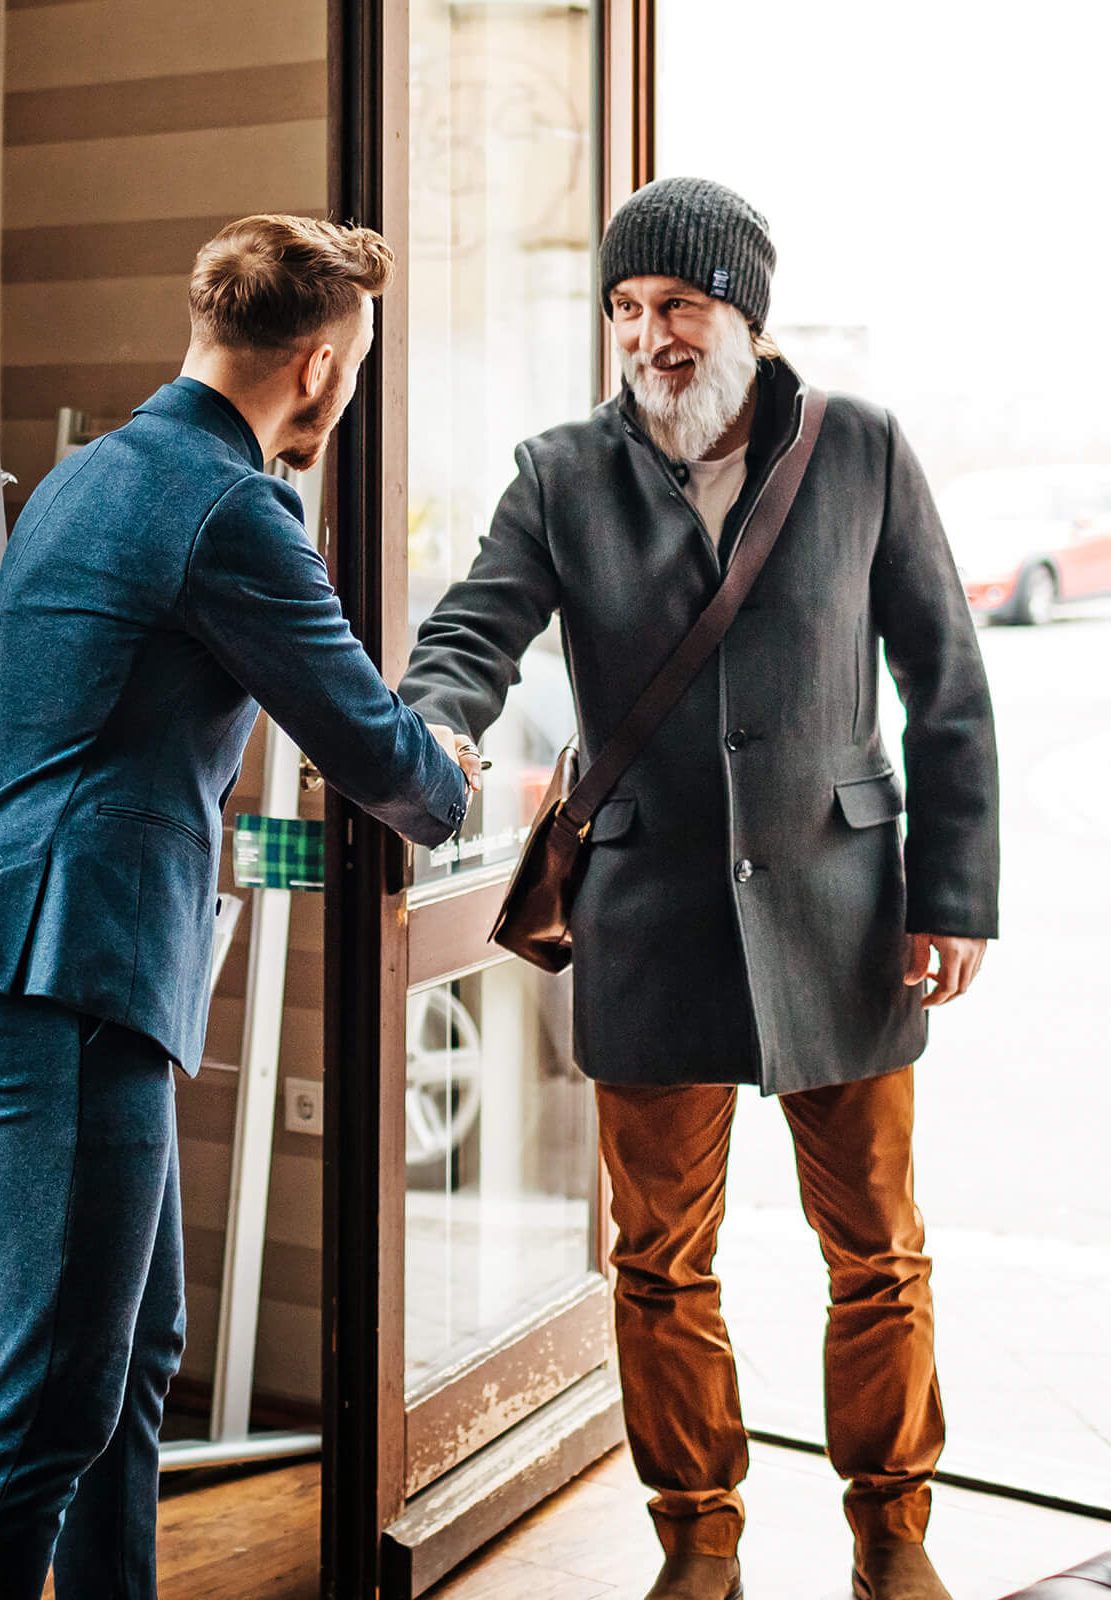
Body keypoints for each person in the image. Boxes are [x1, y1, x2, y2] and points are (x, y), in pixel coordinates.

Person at [401, 176, 1000, 1600]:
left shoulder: (859, 451)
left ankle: (891, 1526)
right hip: (648, 923)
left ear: (744, 311)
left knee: (880, 1254)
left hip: (847, 918)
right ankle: (699, 1538)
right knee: (661, 1263)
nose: (647, 334)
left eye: (676, 304)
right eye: (623, 307)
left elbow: (951, 686)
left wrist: (956, 894)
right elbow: (472, 632)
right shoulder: (560, 473)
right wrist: (434, 720)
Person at [0, 214, 480, 1600]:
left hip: (23, 944)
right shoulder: (233, 508)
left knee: (130, 1361)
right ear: (323, 369)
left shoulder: (87, 472)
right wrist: (449, 770)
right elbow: (384, 761)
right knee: (48, 1402)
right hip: (70, 965)